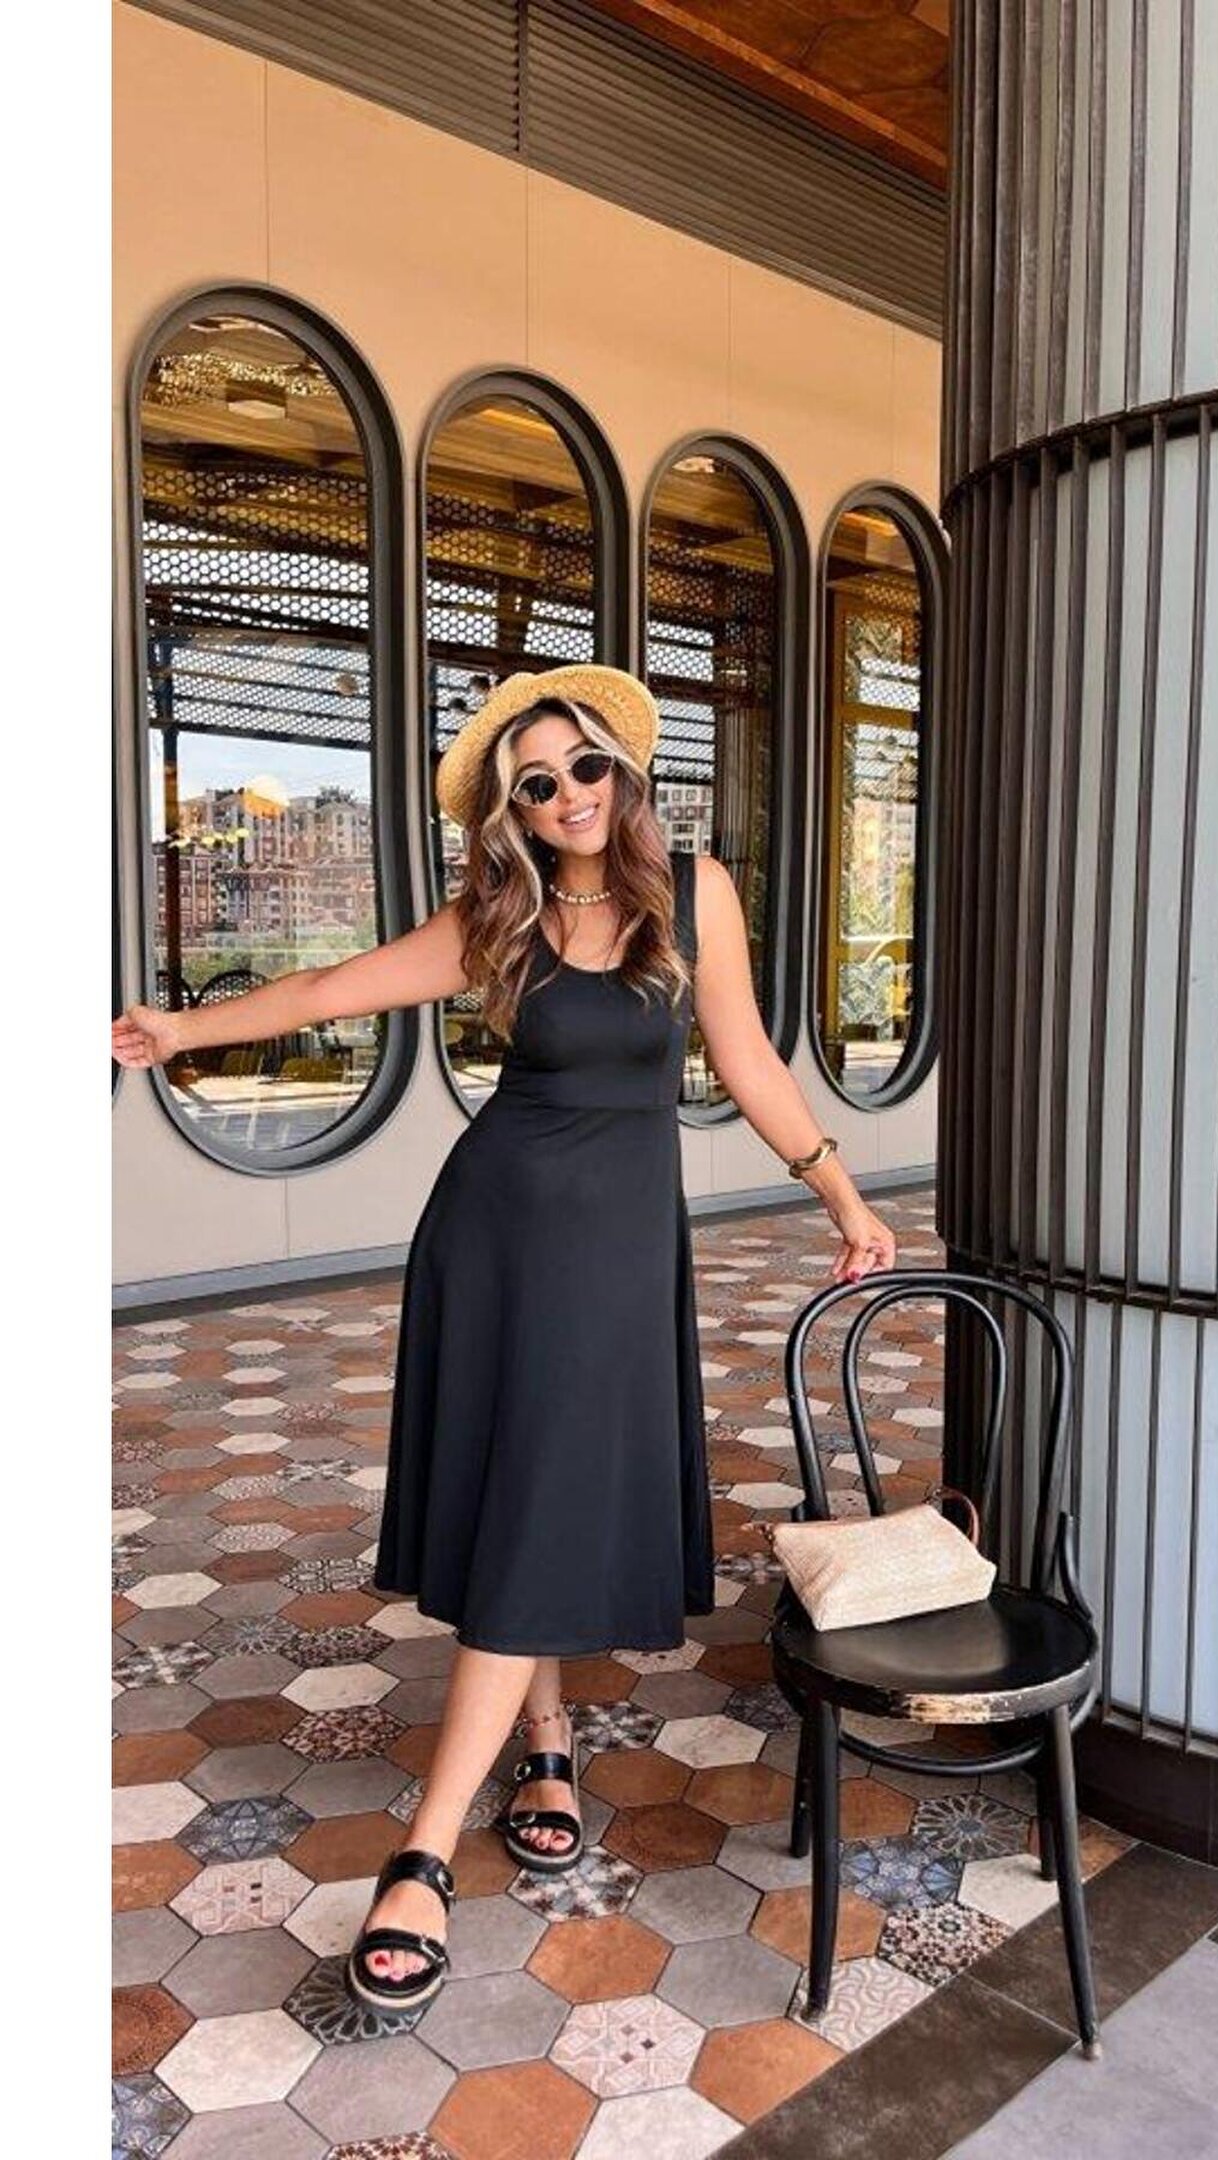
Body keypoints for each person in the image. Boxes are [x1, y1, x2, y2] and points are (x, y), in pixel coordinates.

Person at [112, 663, 898, 2015]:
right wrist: (183, 1025)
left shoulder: (695, 893)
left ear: (622, 770)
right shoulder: (498, 919)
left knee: (538, 1498)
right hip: (495, 1239)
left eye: (585, 766)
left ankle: (540, 1739)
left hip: (618, 1256)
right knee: (527, 1499)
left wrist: (843, 1193)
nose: (569, 795)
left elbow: (749, 1057)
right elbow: (330, 991)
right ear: (514, 811)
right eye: (538, 784)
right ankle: (435, 1845)